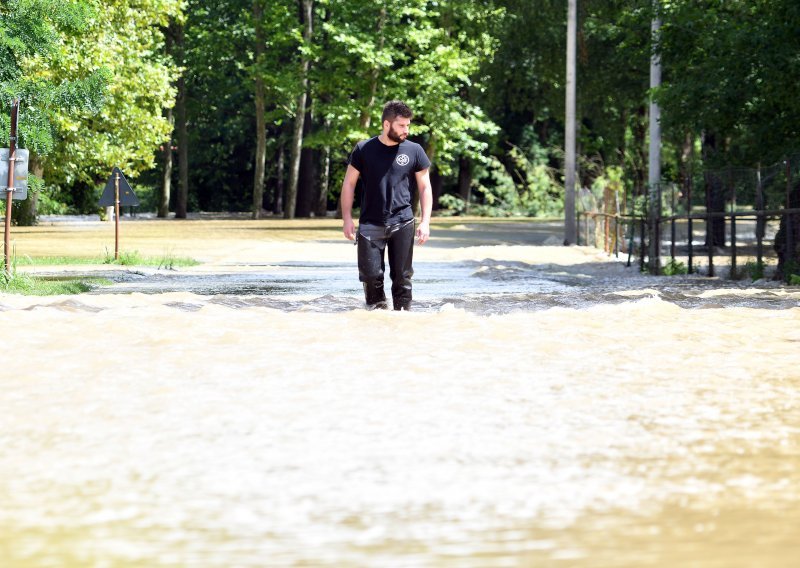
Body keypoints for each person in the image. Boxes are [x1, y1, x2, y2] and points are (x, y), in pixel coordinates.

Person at [341, 100, 433, 311]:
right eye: (401, 126)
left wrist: (425, 221)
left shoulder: (415, 150)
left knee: (402, 278)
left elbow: (425, 187)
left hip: (403, 222)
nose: (406, 130)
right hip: (369, 224)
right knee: (371, 277)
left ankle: (402, 322)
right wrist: (347, 218)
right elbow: (349, 183)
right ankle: (377, 321)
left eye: (408, 125)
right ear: (386, 124)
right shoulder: (363, 149)